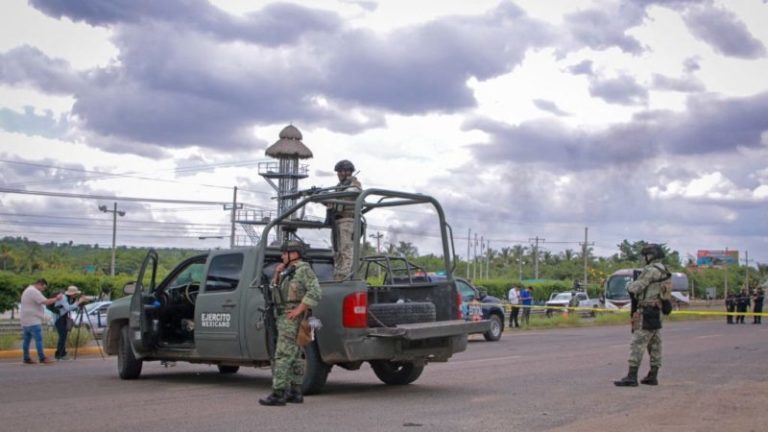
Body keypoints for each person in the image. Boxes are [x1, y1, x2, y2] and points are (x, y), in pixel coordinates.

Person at [260, 239, 322, 406]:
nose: (282, 256)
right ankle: (295, 392)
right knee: (294, 355)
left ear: (293, 254)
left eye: (284, 253)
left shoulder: (304, 270)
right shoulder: (288, 271)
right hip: (283, 316)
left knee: (282, 354)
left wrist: (299, 310)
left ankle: (278, 393)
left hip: (291, 318)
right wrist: (277, 274)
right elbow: (275, 291)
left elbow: (316, 292)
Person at [614, 244, 671, 387]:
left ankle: (631, 376)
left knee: (637, 343)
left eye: (645, 255)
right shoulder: (665, 270)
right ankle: (653, 375)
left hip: (646, 310)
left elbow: (636, 287)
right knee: (655, 344)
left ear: (650, 255)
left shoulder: (650, 271)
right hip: (657, 311)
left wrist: (628, 286)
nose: (644, 258)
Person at [329, 159, 362, 281]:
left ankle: (346, 275)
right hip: (337, 221)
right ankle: (338, 274)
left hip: (347, 220)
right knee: (336, 251)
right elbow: (332, 204)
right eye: (338, 172)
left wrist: (332, 195)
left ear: (347, 172)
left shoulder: (354, 184)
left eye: (341, 172)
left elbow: (354, 192)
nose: (339, 175)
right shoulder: (339, 187)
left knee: (345, 249)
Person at [20, 278, 62, 365]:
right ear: (40, 284)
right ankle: (42, 357)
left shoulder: (27, 290)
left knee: (27, 340)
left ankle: (26, 357)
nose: (43, 290)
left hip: (26, 320)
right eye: (43, 288)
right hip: (33, 320)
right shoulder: (33, 291)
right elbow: (46, 302)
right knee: (39, 340)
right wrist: (57, 298)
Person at [52, 285, 89, 360]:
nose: (76, 295)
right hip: (58, 319)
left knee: (64, 335)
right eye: (75, 294)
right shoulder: (63, 298)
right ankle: (60, 354)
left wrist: (79, 303)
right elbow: (68, 308)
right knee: (62, 336)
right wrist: (79, 302)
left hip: (63, 318)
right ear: (71, 293)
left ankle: (62, 353)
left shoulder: (69, 298)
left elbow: (72, 307)